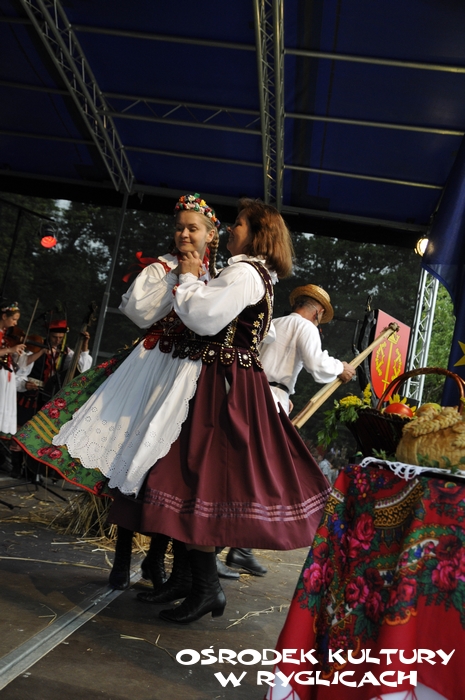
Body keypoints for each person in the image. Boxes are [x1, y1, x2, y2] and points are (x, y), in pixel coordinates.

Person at [15, 196, 331, 625]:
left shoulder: (243, 272)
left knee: (194, 482)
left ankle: (205, 587)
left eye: (239, 223)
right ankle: (187, 580)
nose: (232, 228)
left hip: (217, 385)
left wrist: (187, 276)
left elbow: (202, 317)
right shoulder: (250, 273)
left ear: (258, 234)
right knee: (183, 479)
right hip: (211, 379)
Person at [260, 284, 355, 415]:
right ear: (318, 312)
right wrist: (340, 368)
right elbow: (316, 363)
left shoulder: (272, 323)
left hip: (252, 389)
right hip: (271, 402)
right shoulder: (307, 327)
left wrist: (283, 393)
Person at [16, 319, 93, 427]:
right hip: (30, 396)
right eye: (54, 337)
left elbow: (82, 369)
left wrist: (84, 346)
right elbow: (21, 368)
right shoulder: (36, 347)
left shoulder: (66, 353)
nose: (57, 340)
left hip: (50, 398)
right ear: (48, 334)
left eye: (60, 338)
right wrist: (23, 384)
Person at [0, 302, 26, 435]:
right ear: (4, 316)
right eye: (14, 319)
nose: (15, 323)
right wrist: (10, 350)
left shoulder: (4, 334)